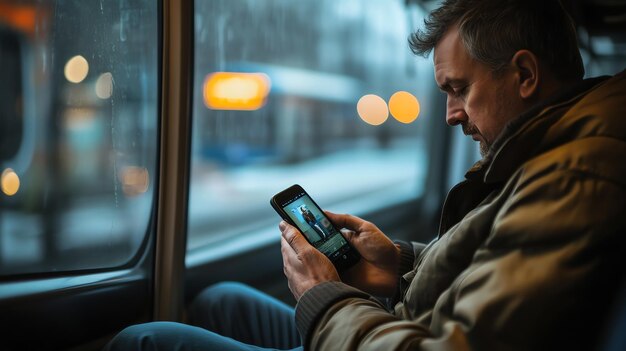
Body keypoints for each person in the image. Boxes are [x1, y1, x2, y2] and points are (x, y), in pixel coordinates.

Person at [104, 0, 626, 350]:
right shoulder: (548, 156)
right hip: (402, 324)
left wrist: (323, 298)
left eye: (459, 89)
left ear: (526, 75)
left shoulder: (574, 176)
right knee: (220, 299)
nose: (450, 114)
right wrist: (400, 263)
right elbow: (493, 263)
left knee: (144, 342)